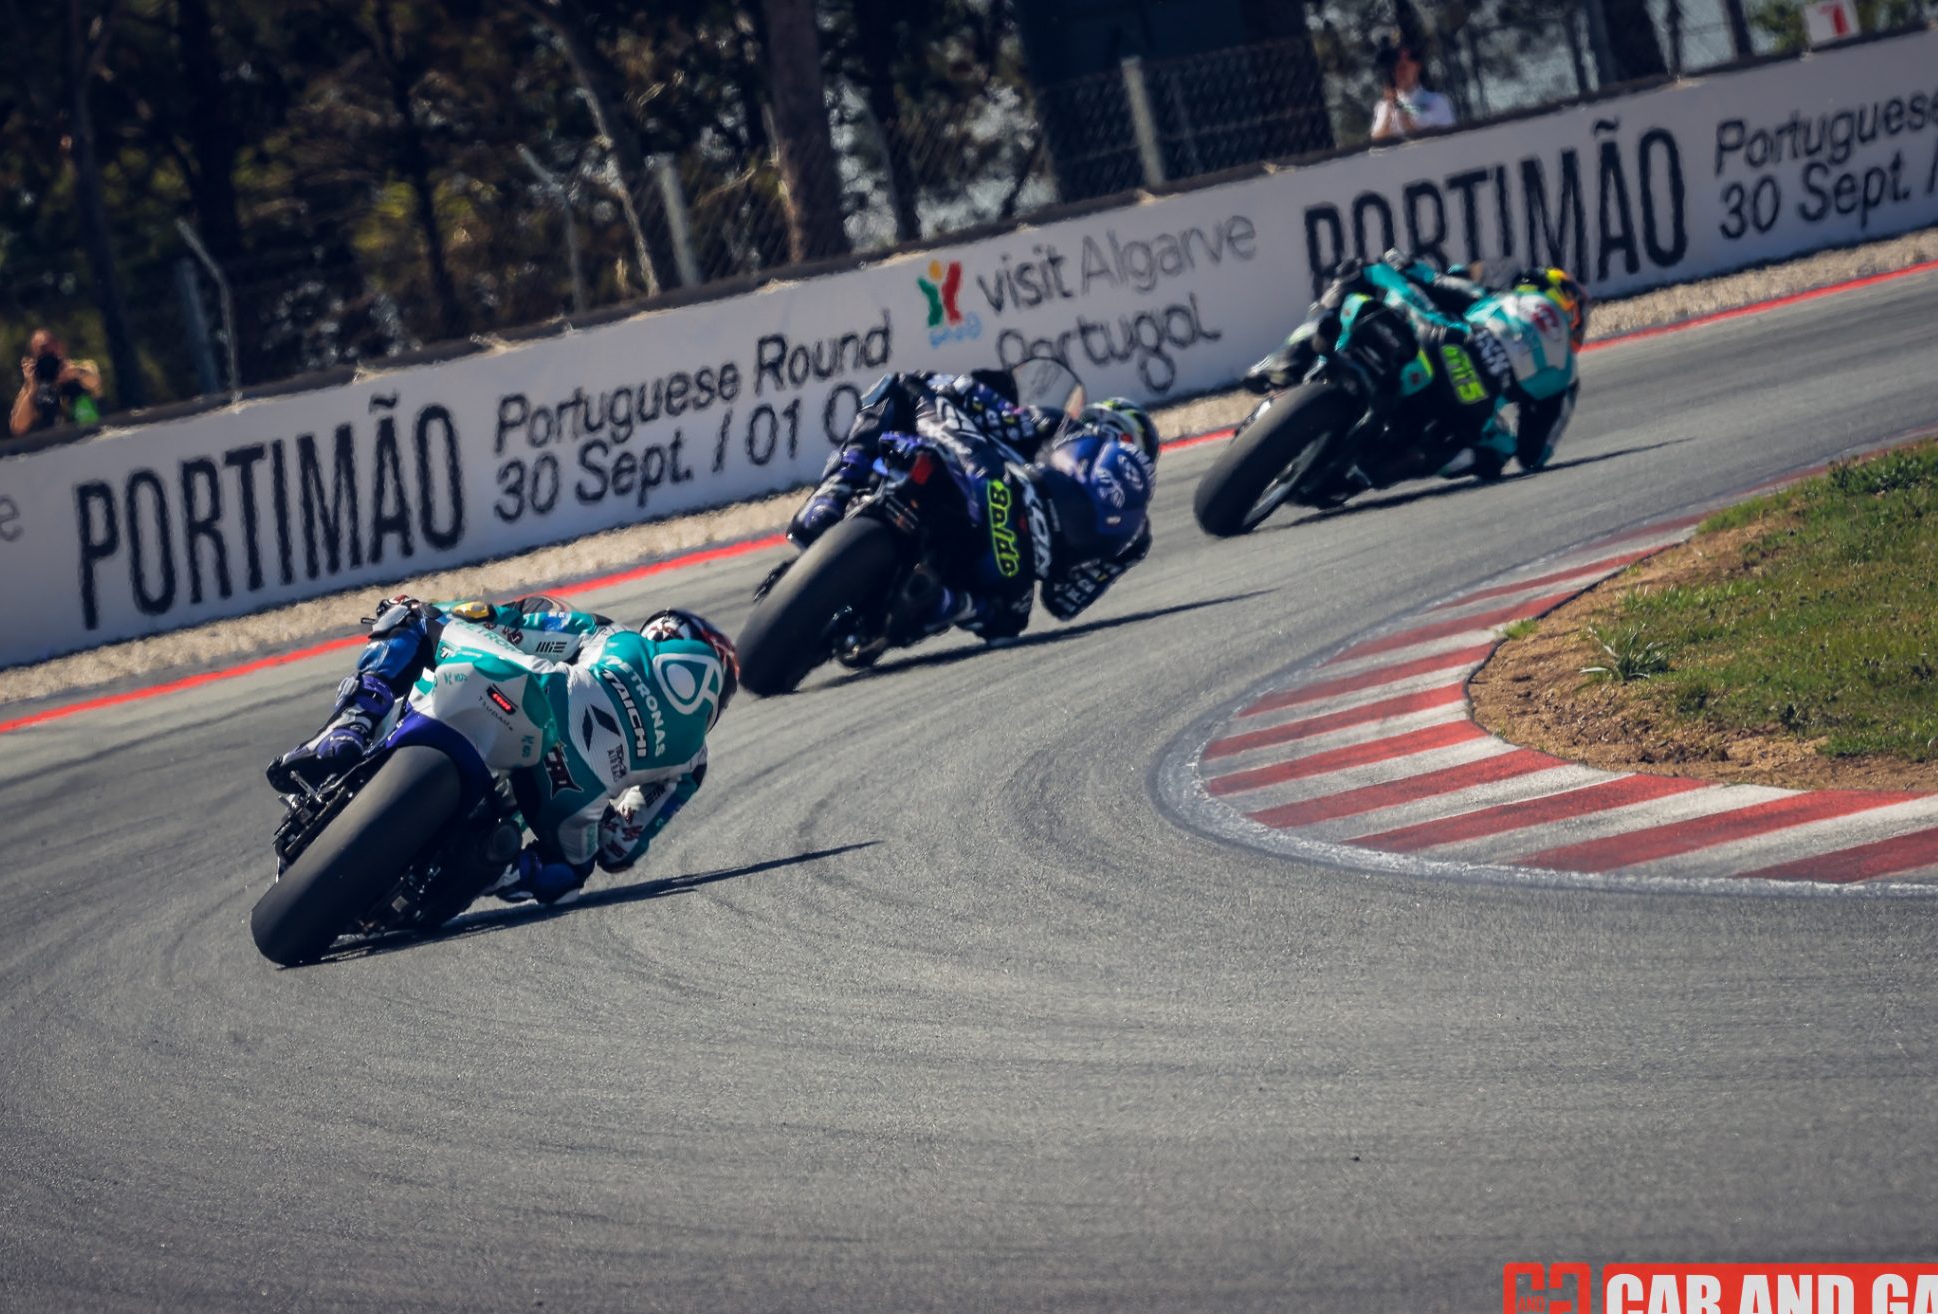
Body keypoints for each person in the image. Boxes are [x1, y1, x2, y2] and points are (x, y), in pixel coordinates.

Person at [267, 594, 737, 905]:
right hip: (576, 794)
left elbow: (512, 625)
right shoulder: (692, 761)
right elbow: (618, 848)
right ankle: (502, 867)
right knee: (569, 873)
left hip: (541, 694)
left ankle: (352, 723)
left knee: (413, 615)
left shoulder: (613, 635)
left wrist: (455, 613)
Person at [785, 369, 1160, 644]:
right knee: (1008, 621)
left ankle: (833, 494)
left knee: (897, 385)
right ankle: (946, 602)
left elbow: (1000, 415)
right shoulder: (1122, 531)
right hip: (997, 553)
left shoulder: (1057, 427)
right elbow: (1063, 602)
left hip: (987, 499)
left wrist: (960, 391)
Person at [1252, 251, 1587, 478]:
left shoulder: (1497, 296)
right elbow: (1532, 454)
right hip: (1473, 399)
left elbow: (1434, 280)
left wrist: (1401, 264)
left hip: (1443, 338)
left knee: (1358, 271)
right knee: (1495, 455)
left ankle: (1289, 359)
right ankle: (1387, 465)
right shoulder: (1566, 373)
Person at [8, 329, 103, 436]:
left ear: (60, 346)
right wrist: (31, 388)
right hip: (56, 442)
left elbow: (96, 383)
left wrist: (75, 373)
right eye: (41, 352)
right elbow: (18, 427)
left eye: (49, 347)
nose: (48, 356)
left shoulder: (81, 368)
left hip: (90, 437)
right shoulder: (33, 387)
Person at [1369, 39, 1456, 143]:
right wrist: (1389, 112)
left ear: (1417, 67)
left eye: (1404, 67)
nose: (1400, 73)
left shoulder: (1437, 102)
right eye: (1395, 68)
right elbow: (1376, 143)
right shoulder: (1383, 107)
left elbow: (1426, 137)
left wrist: (1400, 108)